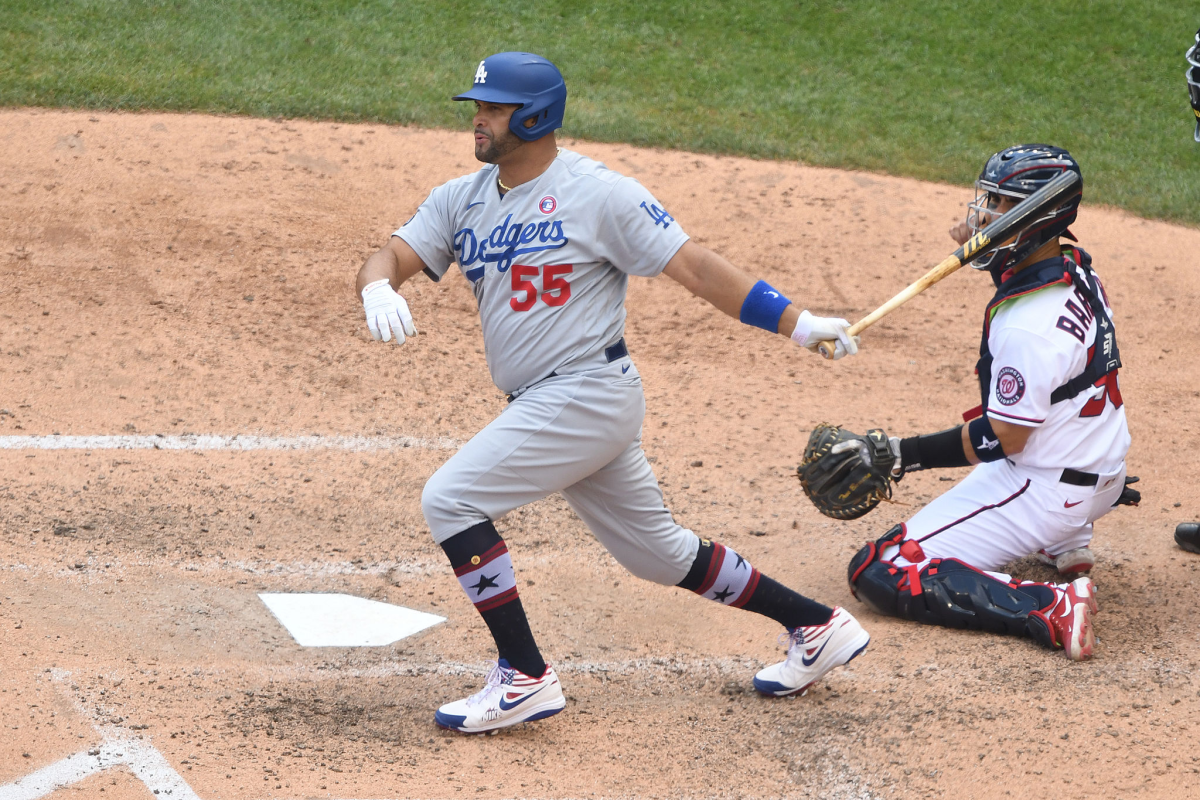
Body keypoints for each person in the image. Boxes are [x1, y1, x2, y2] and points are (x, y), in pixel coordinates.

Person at [355, 52, 870, 734]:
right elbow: (392, 252)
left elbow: (693, 265)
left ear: (535, 115)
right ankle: (816, 625)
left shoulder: (601, 194)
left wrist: (797, 323)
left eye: (493, 108)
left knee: (450, 498)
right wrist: (376, 285)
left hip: (587, 392)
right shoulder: (462, 198)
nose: (478, 118)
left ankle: (524, 675)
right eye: (478, 106)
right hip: (553, 401)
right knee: (655, 554)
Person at [844, 144, 1132, 661]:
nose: (982, 215)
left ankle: (1050, 606)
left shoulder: (1027, 325)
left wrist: (901, 454)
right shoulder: (1071, 265)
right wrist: (987, 242)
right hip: (1099, 471)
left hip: (1045, 488)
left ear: (1035, 218)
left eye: (999, 206)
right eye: (988, 201)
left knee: (881, 568)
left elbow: (1005, 439)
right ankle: (1068, 541)